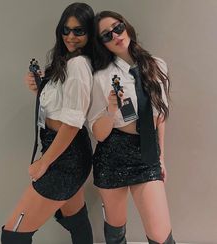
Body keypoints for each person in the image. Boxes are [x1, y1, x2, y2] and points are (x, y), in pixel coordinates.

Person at [1, 3, 94, 244]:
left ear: (89, 34)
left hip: (66, 155)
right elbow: (60, 109)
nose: (70, 37)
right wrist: (40, 89)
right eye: (66, 30)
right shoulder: (65, 62)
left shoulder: (78, 65)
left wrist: (44, 163)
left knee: (13, 235)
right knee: (77, 220)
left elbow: (73, 124)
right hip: (65, 150)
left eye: (79, 31)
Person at [88, 11, 176, 244]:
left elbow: (160, 117)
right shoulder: (101, 77)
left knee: (160, 235)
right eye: (107, 35)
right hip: (113, 154)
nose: (115, 36)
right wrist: (110, 110)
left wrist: (161, 156)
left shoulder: (158, 66)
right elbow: (99, 133)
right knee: (116, 229)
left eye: (118, 28)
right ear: (102, 44)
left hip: (147, 152)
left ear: (126, 26)